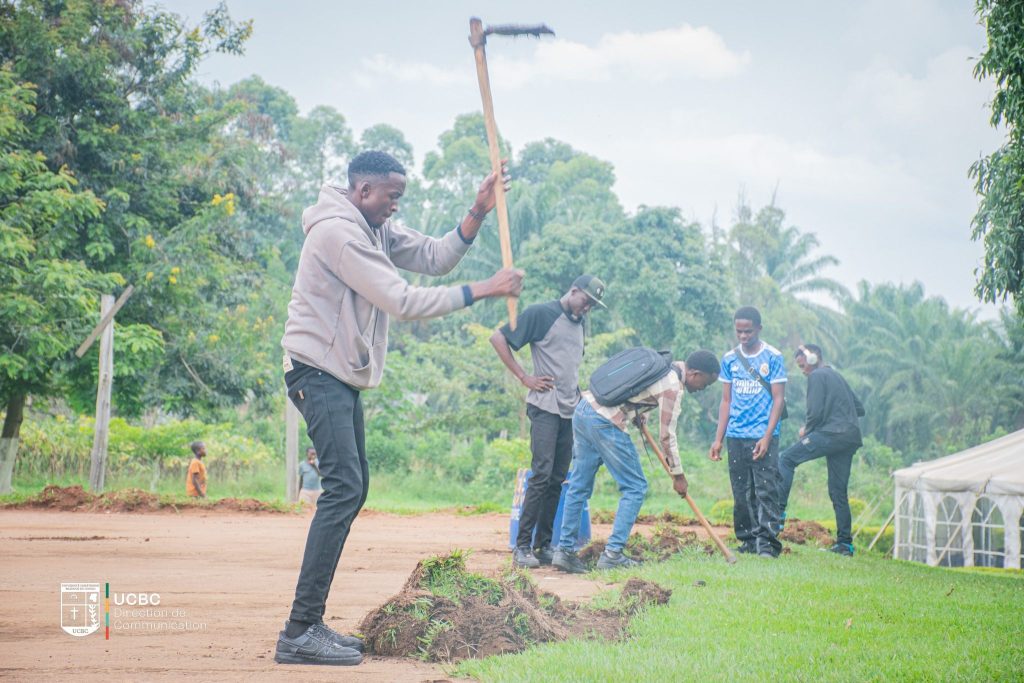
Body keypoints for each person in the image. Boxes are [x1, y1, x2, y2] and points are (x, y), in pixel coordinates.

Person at [275, 150, 523, 667]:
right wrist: (487, 289)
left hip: (337, 376)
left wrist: (477, 210)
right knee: (343, 487)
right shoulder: (338, 235)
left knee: (351, 486)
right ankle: (299, 631)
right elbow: (405, 302)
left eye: (399, 199)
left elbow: (434, 256)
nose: (395, 207)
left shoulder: (373, 228)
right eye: (391, 197)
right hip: (316, 373)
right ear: (363, 192)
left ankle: (309, 624)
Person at [552, 350, 721, 574]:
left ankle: (564, 551)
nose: (702, 389)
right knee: (635, 487)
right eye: (705, 383)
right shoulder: (673, 386)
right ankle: (613, 554)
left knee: (579, 485)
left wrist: (637, 414)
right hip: (605, 421)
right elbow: (667, 436)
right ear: (695, 373)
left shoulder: (663, 363)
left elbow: (636, 390)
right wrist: (678, 475)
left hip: (584, 410)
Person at [489, 275, 607, 569]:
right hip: (544, 406)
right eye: (586, 301)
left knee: (557, 478)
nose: (587, 308)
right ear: (574, 290)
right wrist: (524, 377)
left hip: (570, 409)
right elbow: (498, 337)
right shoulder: (542, 313)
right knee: (541, 474)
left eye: (593, 305)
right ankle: (522, 546)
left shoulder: (580, 324)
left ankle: (543, 545)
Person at [709, 306, 787, 559]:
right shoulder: (730, 359)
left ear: (759, 329)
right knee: (740, 491)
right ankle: (747, 540)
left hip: (763, 436)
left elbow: (778, 400)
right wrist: (718, 439)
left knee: (765, 490)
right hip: (735, 435)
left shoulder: (773, 357)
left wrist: (767, 436)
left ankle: (767, 544)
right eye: (739, 331)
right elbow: (726, 401)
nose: (743, 336)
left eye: (748, 331)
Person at [778, 344, 865, 556]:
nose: (803, 370)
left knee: (786, 459)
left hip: (832, 433)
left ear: (812, 359)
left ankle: (776, 514)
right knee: (838, 491)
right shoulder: (837, 376)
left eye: (802, 366)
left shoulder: (816, 376)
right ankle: (845, 544)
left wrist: (806, 429)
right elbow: (860, 408)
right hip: (850, 436)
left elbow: (815, 412)